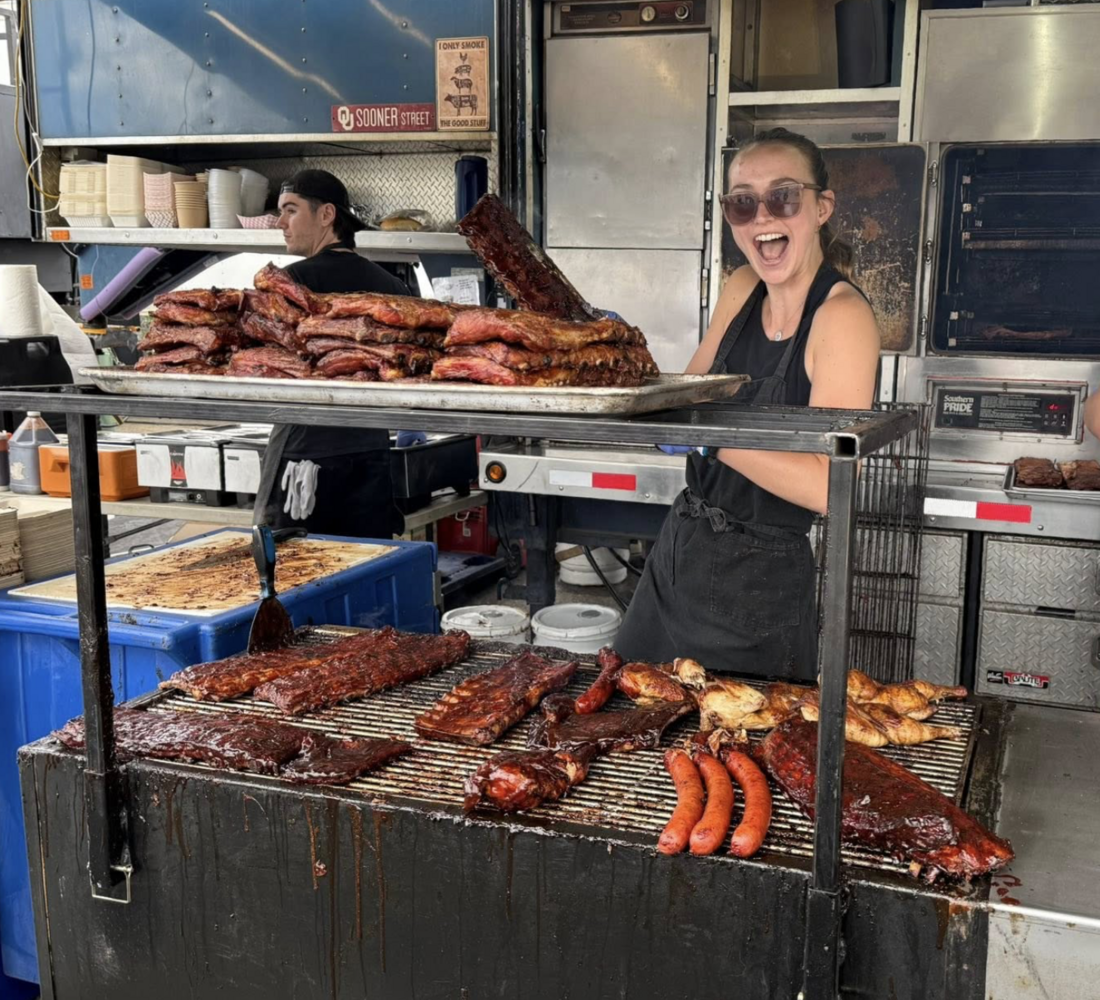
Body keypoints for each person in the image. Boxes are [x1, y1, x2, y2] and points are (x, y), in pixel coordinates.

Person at [615, 128, 882, 682]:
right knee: (631, 709)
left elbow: (825, 486)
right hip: (681, 547)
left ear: (821, 207)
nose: (762, 217)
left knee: (736, 747)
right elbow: (691, 391)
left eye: (783, 196)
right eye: (743, 202)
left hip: (760, 580)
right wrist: (613, 349)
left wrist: (712, 436)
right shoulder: (741, 286)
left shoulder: (841, 318)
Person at [253, 169, 408, 538]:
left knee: (297, 574)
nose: (280, 223)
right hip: (370, 455)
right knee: (365, 565)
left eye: (291, 210)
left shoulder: (288, 284)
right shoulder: (394, 287)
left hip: (305, 458)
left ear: (326, 215)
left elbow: (265, 363)